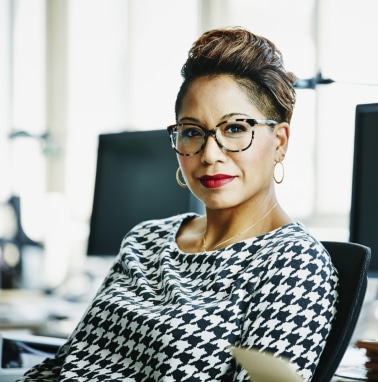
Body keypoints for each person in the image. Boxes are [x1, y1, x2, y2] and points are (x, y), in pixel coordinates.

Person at [19, 27, 338, 382]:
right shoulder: (145, 240)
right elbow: (64, 364)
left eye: (234, 129)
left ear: (279, 142)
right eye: (192, 132)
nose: (210, 155)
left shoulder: (294, 264)